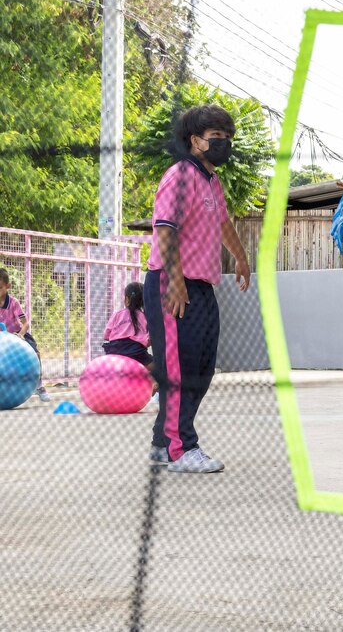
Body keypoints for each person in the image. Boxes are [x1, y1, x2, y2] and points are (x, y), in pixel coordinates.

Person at [145, 104, 250, 474]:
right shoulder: (179, 175)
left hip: (203, 287)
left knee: (202, 369)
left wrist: (240, 258)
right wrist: (174, 280)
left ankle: (163, 443)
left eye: (227, 138)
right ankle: (181, 448)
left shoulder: (211, 181)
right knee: (180, 369)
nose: (223, 144)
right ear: (195, 140)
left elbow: (223, 224)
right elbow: (165, 229)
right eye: (215, 138)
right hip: (173, 283)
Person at [0, 268, 49, 401]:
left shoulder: (13, 303)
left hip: (17, 335)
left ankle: (39, 385)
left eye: (0, 287)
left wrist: (20, 335)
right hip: (2, 341)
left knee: (35, 352)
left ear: (7, 286)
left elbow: (25, 323)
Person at [103, 281, 153, 367]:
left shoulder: (116, 314)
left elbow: (106, 336)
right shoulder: (144, 317)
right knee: (157, 367)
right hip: (136, 353)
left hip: (114, 351)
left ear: (126, 299)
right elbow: (148, 341)